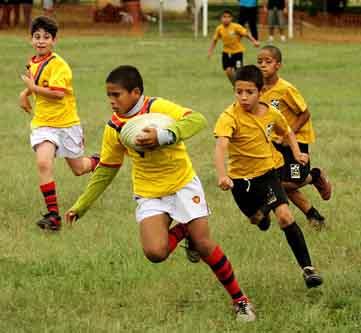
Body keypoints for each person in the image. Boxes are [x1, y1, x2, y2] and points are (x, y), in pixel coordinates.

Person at [64, 65, 256, 322]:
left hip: (182, 184)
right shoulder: (115, 127)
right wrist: (81, 205)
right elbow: (107, 169)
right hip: (150, 193)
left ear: (136, 92)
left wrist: (165, 135)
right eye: (108, 95)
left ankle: (240, 300)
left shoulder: (157, 107)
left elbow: (196, 119)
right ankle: (186, 229)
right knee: (155, 252)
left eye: (116, 94)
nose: (111, 101)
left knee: (205, 244)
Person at [214, 65, 323, 288]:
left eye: (249, 92)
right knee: (257, 220)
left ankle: (308, 269)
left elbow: (288, 132)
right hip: (241, 182)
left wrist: (297, 153)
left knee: (285, 216)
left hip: (267, 174)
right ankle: (262, 214)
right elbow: (220, 147)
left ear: (260, 92)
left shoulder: (272, 113)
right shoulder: (229, 117)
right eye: (238, 92)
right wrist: (223, 175)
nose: (243, 97)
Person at [18, 16, 99, 231]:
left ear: (54, 40)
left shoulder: (60, 66)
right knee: (43, 163)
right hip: (43, 124)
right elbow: (34, 77)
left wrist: (32, 89)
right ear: (31, 40)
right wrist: (25, 93)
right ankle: (53, 216)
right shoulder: (34, 61)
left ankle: (103, 162)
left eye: (46, 37)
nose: (41, 41)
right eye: (37, 37)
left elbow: (57, 94)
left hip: (67, 124)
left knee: (80, 168)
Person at [256, 45, 332, 229]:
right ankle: (315, 217)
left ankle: (315, 176)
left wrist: (289, 133)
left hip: (297, 139)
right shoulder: (258, 90)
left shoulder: (286, 89)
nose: (263, 65)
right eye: (260, 62)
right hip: (276, 143)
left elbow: (305, 114)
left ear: (278, 65)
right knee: (280, 182)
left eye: (268, 61)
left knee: (292, 181)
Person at [208, 10, 259, 85]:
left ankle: (241, 82)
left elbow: (246, 34)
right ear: (221, 18)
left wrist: (254, 41)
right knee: (228, 71)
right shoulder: (219, 29)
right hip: (226, 53)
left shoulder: (236, 27)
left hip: (237, 52)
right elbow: (214, 40)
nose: (226, 19)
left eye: (228, 17)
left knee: (238, 71)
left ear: (231, 18)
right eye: (224, 17)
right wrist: (210, 50)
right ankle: (235, 85)